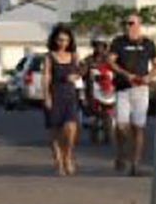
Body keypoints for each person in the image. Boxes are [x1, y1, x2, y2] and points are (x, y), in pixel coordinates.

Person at [109, 13, 156, 176]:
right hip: (123, 88)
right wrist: (125, 74)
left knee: (138, 127)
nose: (127, 26)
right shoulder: (118, 42)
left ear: (139, 25)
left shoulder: (148, 43)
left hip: (141, 89)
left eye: (131, 23)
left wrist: (149, 77)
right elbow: (111, 62)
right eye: (125, 23)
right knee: (121, 124)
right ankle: (121, 152)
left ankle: (135, 164)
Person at [43, 23, 83, 176]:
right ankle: (58, 161)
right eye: (60, 40)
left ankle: (68, 156)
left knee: (71, 128)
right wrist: (46, 96)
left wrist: (77, 75)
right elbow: (46, 77)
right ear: (54, 40)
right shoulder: (49, 56)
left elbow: (79, 70)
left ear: (70, 41)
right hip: (55, 94)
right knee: (55, 130)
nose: (62, 43)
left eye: (66, 40)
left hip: (70, 95)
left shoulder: (74, 55)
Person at [84, 38, 115, 145]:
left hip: (107, 90)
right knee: (93, 114)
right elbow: (82, 72)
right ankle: (94, 135)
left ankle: (108, 135)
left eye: (102, 46)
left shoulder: (110, 60)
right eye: (97, 45)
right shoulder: (88, 60)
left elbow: (117, 71)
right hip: (91, 90)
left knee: (108, 113)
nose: (99, 48)